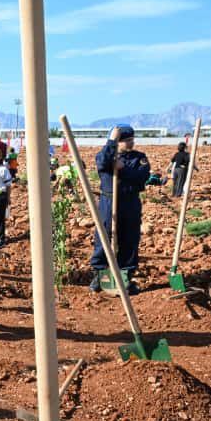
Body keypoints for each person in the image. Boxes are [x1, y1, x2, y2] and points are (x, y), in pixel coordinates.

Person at [89, 125, 151, 295]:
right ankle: (99, 274)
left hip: (130, 201)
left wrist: (123, 169)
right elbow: (102, 163)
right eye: (126, 141)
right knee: (103, 236)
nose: (131, 143)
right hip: (108, 201)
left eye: (132, 140)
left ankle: (126, 276)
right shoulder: (106, 155)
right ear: (117, 142)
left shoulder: (139, 158)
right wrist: (111, 142)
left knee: (129, 239)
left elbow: (142, 176)